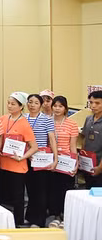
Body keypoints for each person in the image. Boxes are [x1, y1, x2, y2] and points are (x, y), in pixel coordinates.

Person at [0, 92, 39, 226]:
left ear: (21, 106)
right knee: (3, 196)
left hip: (17, 166)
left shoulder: (24, 124)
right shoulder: (3, 119)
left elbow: (34, 147)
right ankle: (4, 222)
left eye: (13, 104)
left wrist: (22, 157)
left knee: (17, 198)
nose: (9, 106)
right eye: (8, 103)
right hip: (2, 163)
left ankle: (18, 222)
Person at [24, 93, 57, 227]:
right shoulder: (23, 118)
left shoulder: (47, 119)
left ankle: (39, 221)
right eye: (30, 102)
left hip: (41, 159)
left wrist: (55, 158)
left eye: (36, 103)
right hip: (26, 157)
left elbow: (52, 139)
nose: (32, 105)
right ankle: (30, 216)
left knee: (41, 190)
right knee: (30, 189)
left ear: (41, 104)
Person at [49, 95, 78, 224]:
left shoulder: (72, 124)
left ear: (65, 108)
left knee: (65, 188)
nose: (57, 108)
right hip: (50, 159)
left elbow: (73, 146)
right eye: (55, 106)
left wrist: (75, 163)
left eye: (60, 106)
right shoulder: (47, 121)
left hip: (66, 161)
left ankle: (66, 214)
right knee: (53, 188)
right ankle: (55, 215)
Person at [81, 90, 102, 188]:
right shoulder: (88, 119)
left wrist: (100, 167)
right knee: (88, 190)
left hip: (99, 164)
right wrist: (82, 157)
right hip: (88, 163)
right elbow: (84, 138)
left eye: (97, 103)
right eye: (91, 102)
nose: (93, 106)